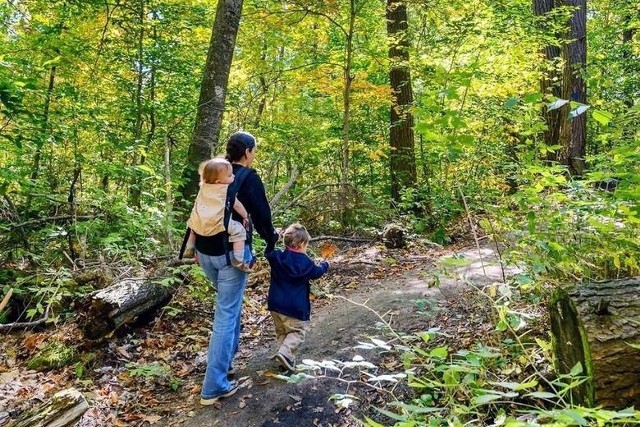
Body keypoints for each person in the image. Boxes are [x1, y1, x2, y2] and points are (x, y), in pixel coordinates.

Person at [195, 131, 279, 405]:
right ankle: (214, 385)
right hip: (231, 253)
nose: (254, 155)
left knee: (228, 307)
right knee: (227, 313)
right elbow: (262, 214)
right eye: (253, 150)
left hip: (204, 251)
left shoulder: (213, 172)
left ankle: (225, 364)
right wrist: (271, 240)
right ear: (247, 152)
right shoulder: (247, 177)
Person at [266, 223, 330, 372]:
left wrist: (272, 240)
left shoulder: (278, 257)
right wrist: (325, 265)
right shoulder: (306, 262)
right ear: (301, 244)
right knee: (296, 333)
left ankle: (285, 362)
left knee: (282, 332)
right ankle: (285, 353)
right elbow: (317, 272)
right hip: (294, 307)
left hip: (275, 305)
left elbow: (268, 252)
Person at [185, 158, 252, 272]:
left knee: (191, 227)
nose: (234, 177)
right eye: (230, 175)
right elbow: (237, 206)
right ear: (218, 182)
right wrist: (246, 216)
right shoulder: (226, 190)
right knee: (239, 231)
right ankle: (238, 259)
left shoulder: (203, 187)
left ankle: (189, 248)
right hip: (217, 223)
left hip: (200, 221)